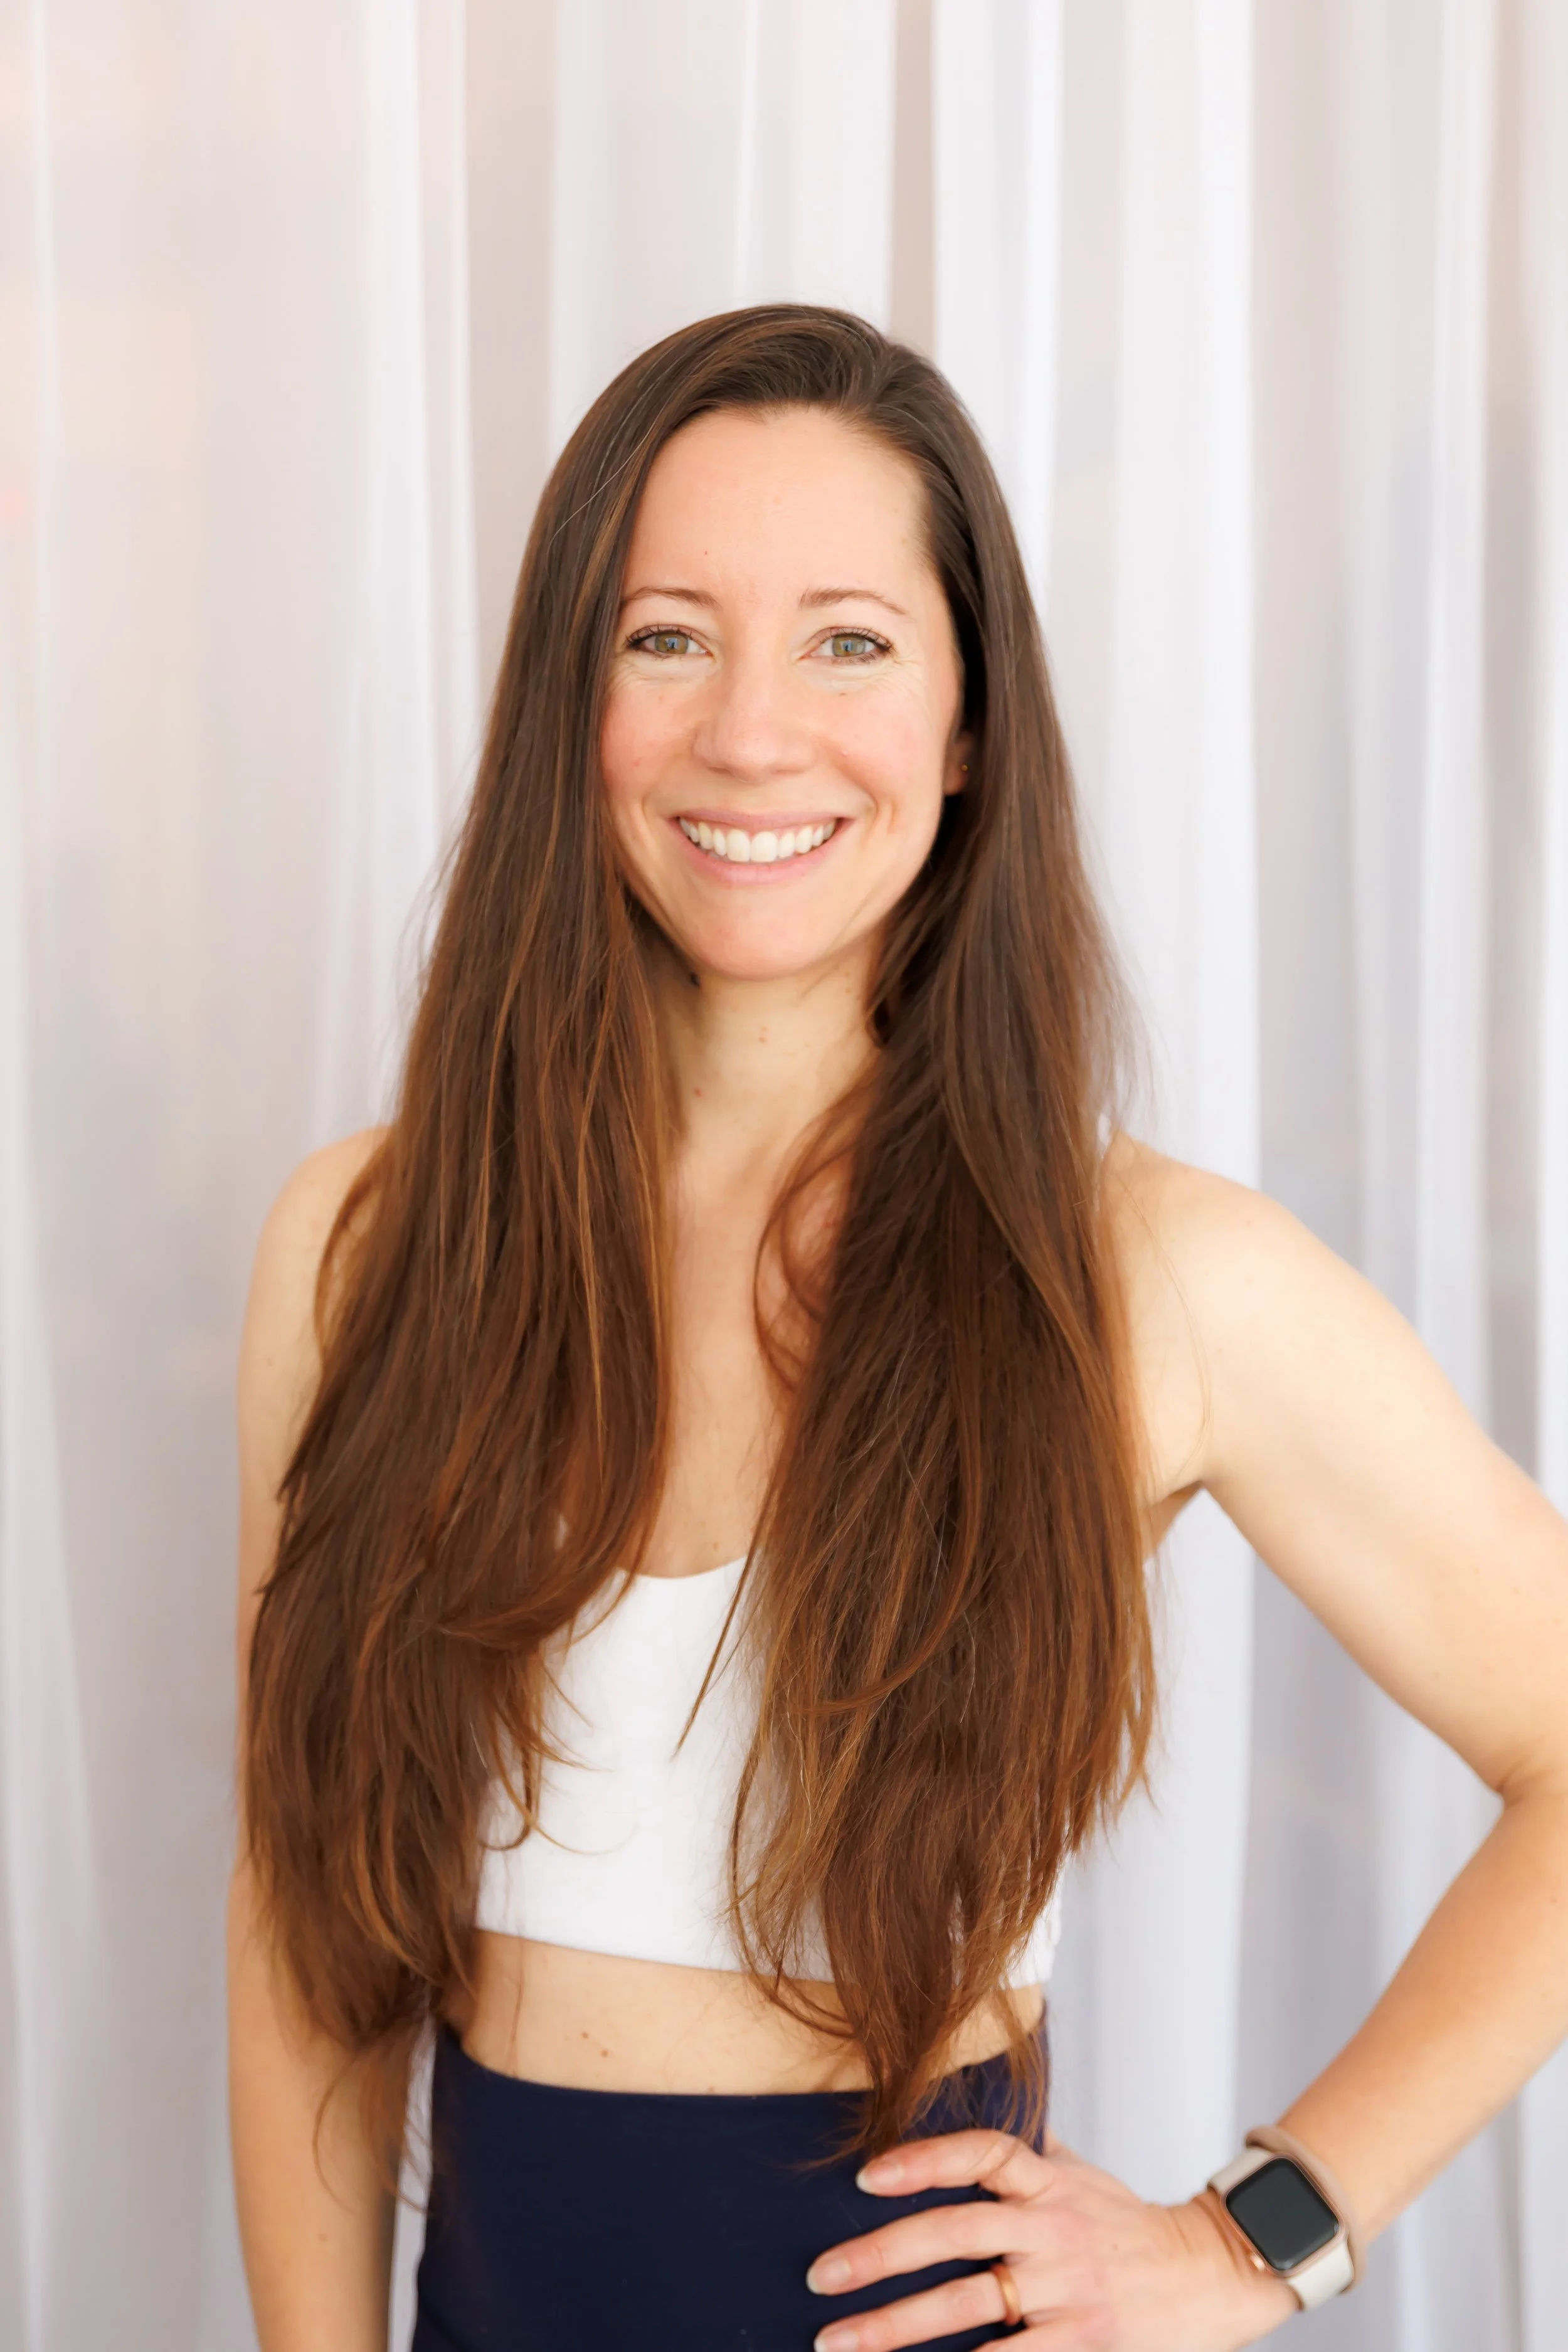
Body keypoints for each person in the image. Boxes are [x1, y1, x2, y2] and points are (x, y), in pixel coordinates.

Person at [228, 305, 1568, 2352]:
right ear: (565, 697)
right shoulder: (364, 1242)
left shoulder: (1140, 1273)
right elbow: (301, 1935)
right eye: (665, 634)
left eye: (846, 639)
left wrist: (1247, 2239)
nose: (750, 732)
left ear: (962, 720)